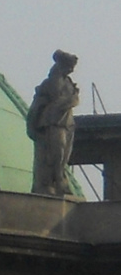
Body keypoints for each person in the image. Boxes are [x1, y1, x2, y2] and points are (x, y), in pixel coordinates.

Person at [26, 50, 79, 196]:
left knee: (64, 156)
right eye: (69, 66)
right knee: (55, 153)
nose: (71, 70)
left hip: (66, 123)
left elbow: (70, 99)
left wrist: (71, 100)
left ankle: (58, 181)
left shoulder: (68, 83)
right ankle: (49, 182)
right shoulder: (51, 83)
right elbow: (43, 102)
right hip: (52, 123)